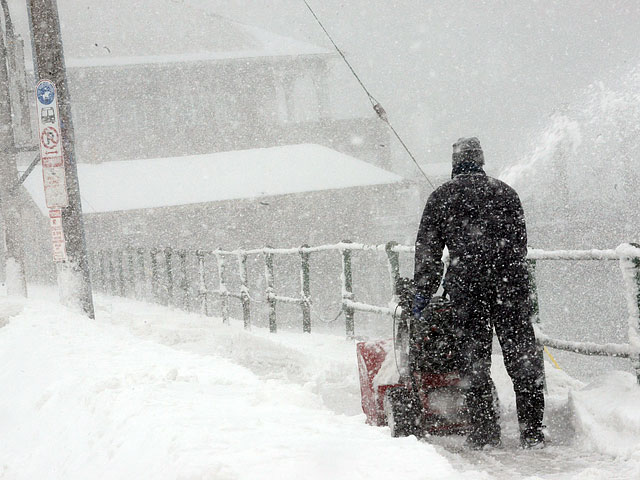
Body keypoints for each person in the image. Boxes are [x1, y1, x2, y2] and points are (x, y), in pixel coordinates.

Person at [412, 137, 545, 449]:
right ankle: (532, 431)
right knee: (521, 356)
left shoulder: (441, 197)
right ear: (482, 161)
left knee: (474, 361)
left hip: (466, 289)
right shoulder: (507, 193)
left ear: (456, 162)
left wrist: (422, 293)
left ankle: (484, 433)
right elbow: (519, 245)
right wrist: (505, 273)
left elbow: (428, 253)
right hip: (510, 286)